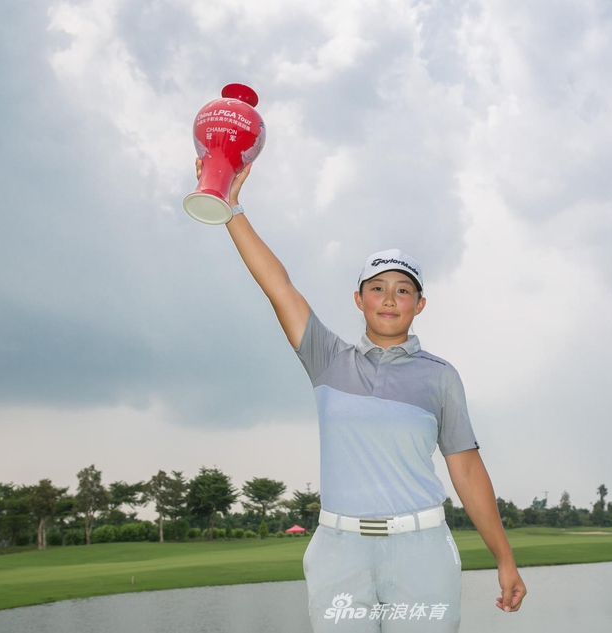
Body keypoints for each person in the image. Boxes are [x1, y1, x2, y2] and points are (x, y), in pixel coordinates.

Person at [195, 159, 526, 631]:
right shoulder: (327, 358)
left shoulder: (440, 378)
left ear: (419, 305)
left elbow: (468, 471)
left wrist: (504, 558)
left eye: (403, 290)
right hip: (339, 552)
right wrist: (232, 208)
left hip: (422, 551)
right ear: (359, 299)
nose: (389, 299)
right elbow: (279, 287)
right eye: (378, 288)